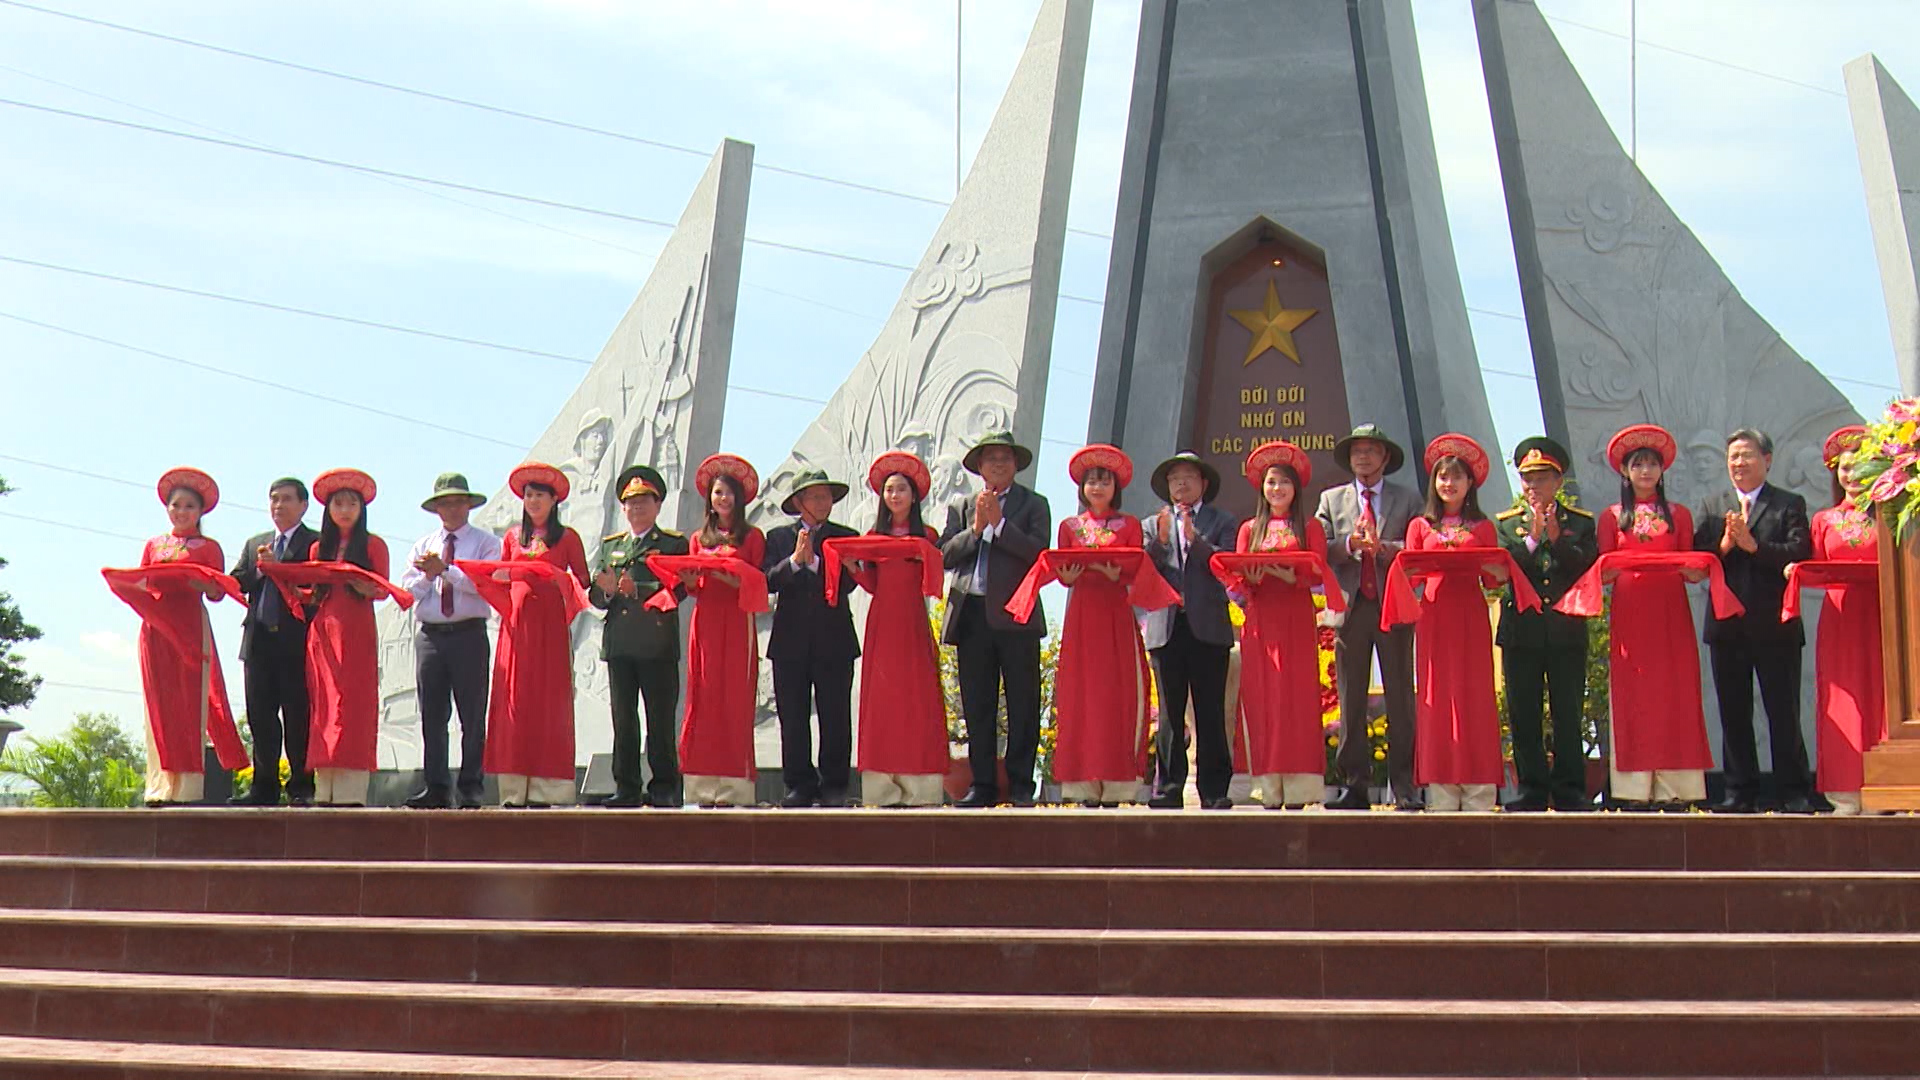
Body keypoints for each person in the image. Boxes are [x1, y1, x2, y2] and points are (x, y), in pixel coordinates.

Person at [1694, 428, 1815, 814]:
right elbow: (1699, 559)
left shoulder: (1788, 503)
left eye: (1747, 455)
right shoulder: (1713, 505)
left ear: (1768, 459)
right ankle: (1738, 792)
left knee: (1783, 712)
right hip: (1727, 627)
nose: (1739, 463)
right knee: (1733, 713)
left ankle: (1793, 791)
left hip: (1775, 625)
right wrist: (1726, 546)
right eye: (1733, 457)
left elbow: (1800, 551)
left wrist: (1754, 547)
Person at [1598, 425, 1714, 809]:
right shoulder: (1612, 517)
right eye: (1638, 465)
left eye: (1651, 465)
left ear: (1662, 472)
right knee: (1634, 693)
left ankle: (1676, 788)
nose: (1645, 472)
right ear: (1625, 472)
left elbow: (1691, 568)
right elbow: (1601, 570)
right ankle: (1634, 789)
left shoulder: (1679, 515)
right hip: (1631, 610)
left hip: (1670, 609)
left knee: (1674, 691)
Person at [119, 468, 248, 805]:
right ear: (167, 508)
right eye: (176, 505)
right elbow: (143, 582)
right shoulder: (153, 545)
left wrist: (199, 582)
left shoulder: (210, 548)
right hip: (156, 626)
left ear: (200, 512)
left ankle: (188, 787)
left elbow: (218, 593)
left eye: (189, 506)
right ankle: (159, 786)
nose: (182, 511)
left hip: (191, 625)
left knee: (190, 704)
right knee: (158, 705)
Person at [938, 431, 1052, 807]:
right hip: (971, 614)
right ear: (980, 467)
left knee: (1023, 701)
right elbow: (945, 555)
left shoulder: (1034, 504)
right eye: (991, 459)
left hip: (1015, 614)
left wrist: (1000, 525)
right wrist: (975, 530)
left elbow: (1038, 553)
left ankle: (1021, 784)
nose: (998, 464)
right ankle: (982, 784)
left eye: (1005, 458)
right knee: (978, 704)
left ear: (1015, 465)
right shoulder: (963, 505)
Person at [1315, 423, 1422, 810]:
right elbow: (1320, 546)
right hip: (1351, 606)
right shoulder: (1331, 499)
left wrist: (1382, 548)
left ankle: (1404, 784)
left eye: (1371, 451)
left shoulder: (1408, 499)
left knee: (1399, 697)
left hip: (1392, 604)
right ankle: (1354, 784)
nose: (1363, 457)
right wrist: (1348, 544)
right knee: (1351, 697)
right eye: (1357, 451)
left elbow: (1415, 546)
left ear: (1385, 457)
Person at [1401, 434, 1508, 812]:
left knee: (1474, 694)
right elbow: (1408, 575)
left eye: (1457, 477)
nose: (1449, 483)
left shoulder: (1483, 527)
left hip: (1470, 615)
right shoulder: (1419, 527)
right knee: (1435, 696)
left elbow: (1496, 578)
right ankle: (1442, 789)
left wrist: (1496, 567)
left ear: (1470, 483)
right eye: (1443, 477)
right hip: (1433, 615)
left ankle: (1479, 792)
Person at [476, 462, 590, 808]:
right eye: (529, 495)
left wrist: (556, 576)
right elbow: (502, 576)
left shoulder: (567, 538)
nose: (534, 501)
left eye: (540, 495)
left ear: (554, 500)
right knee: (514, 702)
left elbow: (583, 581)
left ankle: (546, 790)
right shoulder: (512, 537)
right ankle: (513, 790)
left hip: (551, 632)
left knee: (548, 702)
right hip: (517, 629)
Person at [1494, 437, 1598, 812]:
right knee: (1524, 713)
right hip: (1522, 630)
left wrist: (1556, 536)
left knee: (1568, 712)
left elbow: (1586, 567)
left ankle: (1571, 789)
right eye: (1527, 478)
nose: (1534, 486)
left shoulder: (1581, 524)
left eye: (1542, 478)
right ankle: (1531, 789)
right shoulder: (1506, 525)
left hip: (1566, 630)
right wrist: (1535, 536)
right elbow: (1509, 567)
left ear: (1558, 480)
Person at [846, 451, 949, 807]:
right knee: (883, 697)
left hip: (913, 621)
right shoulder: (874, 535)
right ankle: (883, 789)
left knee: (916, 696)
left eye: (901, 489)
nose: (894, 495)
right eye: (889, 489)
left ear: (914, 495)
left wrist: (924, 557)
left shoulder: (929, 535)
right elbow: (872, 583)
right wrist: (853, 568)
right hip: (883, 619)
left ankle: (918, 788)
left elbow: (932, 582)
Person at [1051, 444, 1152, 807]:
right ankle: (1082, 784)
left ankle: (1117, 784)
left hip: (1115, 615)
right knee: (1082, 694)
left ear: (1116, 488)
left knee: (1115, 693)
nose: (1097, 487)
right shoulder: (1069, 526)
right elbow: (1063, 575)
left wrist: (1117, 573)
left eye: (1104, 481)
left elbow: (1135, 567)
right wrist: (1067, 575)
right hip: (1082, 617)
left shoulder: (1129, 525)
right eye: (1091, 481)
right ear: (1081, 488)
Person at [1233, 441, 1330, 809]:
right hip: (1260, 621)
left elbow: (1318, 572)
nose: (1277, 489)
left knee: (1297, 697)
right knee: (1263, 698)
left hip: (1295, 619)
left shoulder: (1310, 527)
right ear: (1262, 487)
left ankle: (1301, 788)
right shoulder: (1248, 530)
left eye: (1284, 483)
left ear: (1296, 488)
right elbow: (1237, 580)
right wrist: (1254, 578)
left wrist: (1288, 575)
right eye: (1271, 482)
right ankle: (1268, 787)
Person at [1141, 451, 1239, 810]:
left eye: (1189, 477)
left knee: (1210, 710)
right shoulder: (1153, 524)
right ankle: (1168, 787)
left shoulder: (1222, 521)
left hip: (1208, 627)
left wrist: (1193, 539)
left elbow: (1223, 565)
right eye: (1175, 478)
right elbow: (1143, 568)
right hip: (1166, 627)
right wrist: (1161, 542)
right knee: (1169, 711)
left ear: (1203, 484)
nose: (1181, 483)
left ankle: (1214, 790)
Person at [399, 473, 502, 810]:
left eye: (458, 502)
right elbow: (408, 592)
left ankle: (471, 785)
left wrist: (446, 569)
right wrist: (429, 573)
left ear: (469, 505)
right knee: (432, 713)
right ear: (436, 508)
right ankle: (436, 785)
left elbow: (484, 585)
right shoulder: (422, 544)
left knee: (472, 713)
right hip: (431, 634)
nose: (452, 508)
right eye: (445, 502)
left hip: (468, 631)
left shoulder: (486, 543)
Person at [588, 465, 687, 809]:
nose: (637, 508)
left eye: (644, 501)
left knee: (659, 721)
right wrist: (608, 592)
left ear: (658, 505)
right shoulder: (611, 546)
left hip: (656, 643)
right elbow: (595, 595)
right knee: (624, 721)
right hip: (620, 645)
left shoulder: (673, 544)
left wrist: (639, 590)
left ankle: (663, 786)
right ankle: (626, 786)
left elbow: (681, 587)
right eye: (631, 503)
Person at [763, 468, 860, 808]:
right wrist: (794, 562)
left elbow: (851, 582)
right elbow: (766, 581)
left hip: (834, 638)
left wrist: (816, 563)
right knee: (792, 714)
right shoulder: (776, 538)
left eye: (826, 496)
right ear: (799, 502)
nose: (823, 502)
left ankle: (835, 783)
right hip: (789, 640)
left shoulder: (846, 536)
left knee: (835, 714)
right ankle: (799, 783)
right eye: (815, 496)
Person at [678, 453, 766, 807]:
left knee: (734, 699)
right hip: (706, 621)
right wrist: (688, 582)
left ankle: (734, 788)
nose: (723, 499)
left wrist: (734, 577)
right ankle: (702, 788)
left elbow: (760, 582)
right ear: (709, 499)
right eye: (717, 493)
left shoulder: (753, 537)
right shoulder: (699, 538)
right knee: (704, 697)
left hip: (737, 620)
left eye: (729, 493)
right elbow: (696, 586)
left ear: (739, 499)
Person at [1803, 425, 1882, 815]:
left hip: (1882, 616)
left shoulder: (1891, 515)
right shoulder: (1823, 520)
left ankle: (1886, 788)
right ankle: (1845, 792)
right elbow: (1818, 567)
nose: (1851, 475)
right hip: (1839, 617)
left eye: (1858, 467)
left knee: (1883, 695)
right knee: (1843, 698)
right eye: (1844, 469)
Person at [229, 477, 320, 805]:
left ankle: (301, 786)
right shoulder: (257, 543)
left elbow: (316, 582)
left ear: (303, 505)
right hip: (258, 641)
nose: (278, 506)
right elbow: (237, 581)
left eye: (286, 499)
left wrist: (279, 568)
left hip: (295, 640)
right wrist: (259, 571)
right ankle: (263, 787)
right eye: (273, 499)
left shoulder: (315, 542)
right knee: (260, 716)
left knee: (298, 715)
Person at [303, 469, 391, 807]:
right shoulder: (317, 548)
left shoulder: (373, 545)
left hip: (355, 630)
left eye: (351, 503)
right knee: (324, 705)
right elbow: (313, 593)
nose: (344, 509)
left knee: (352, 703)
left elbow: (382, 590)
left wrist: (360, 584)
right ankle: (325, 787)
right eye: (337, 503)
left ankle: (352, 791)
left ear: (361, 508)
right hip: (323, 631)